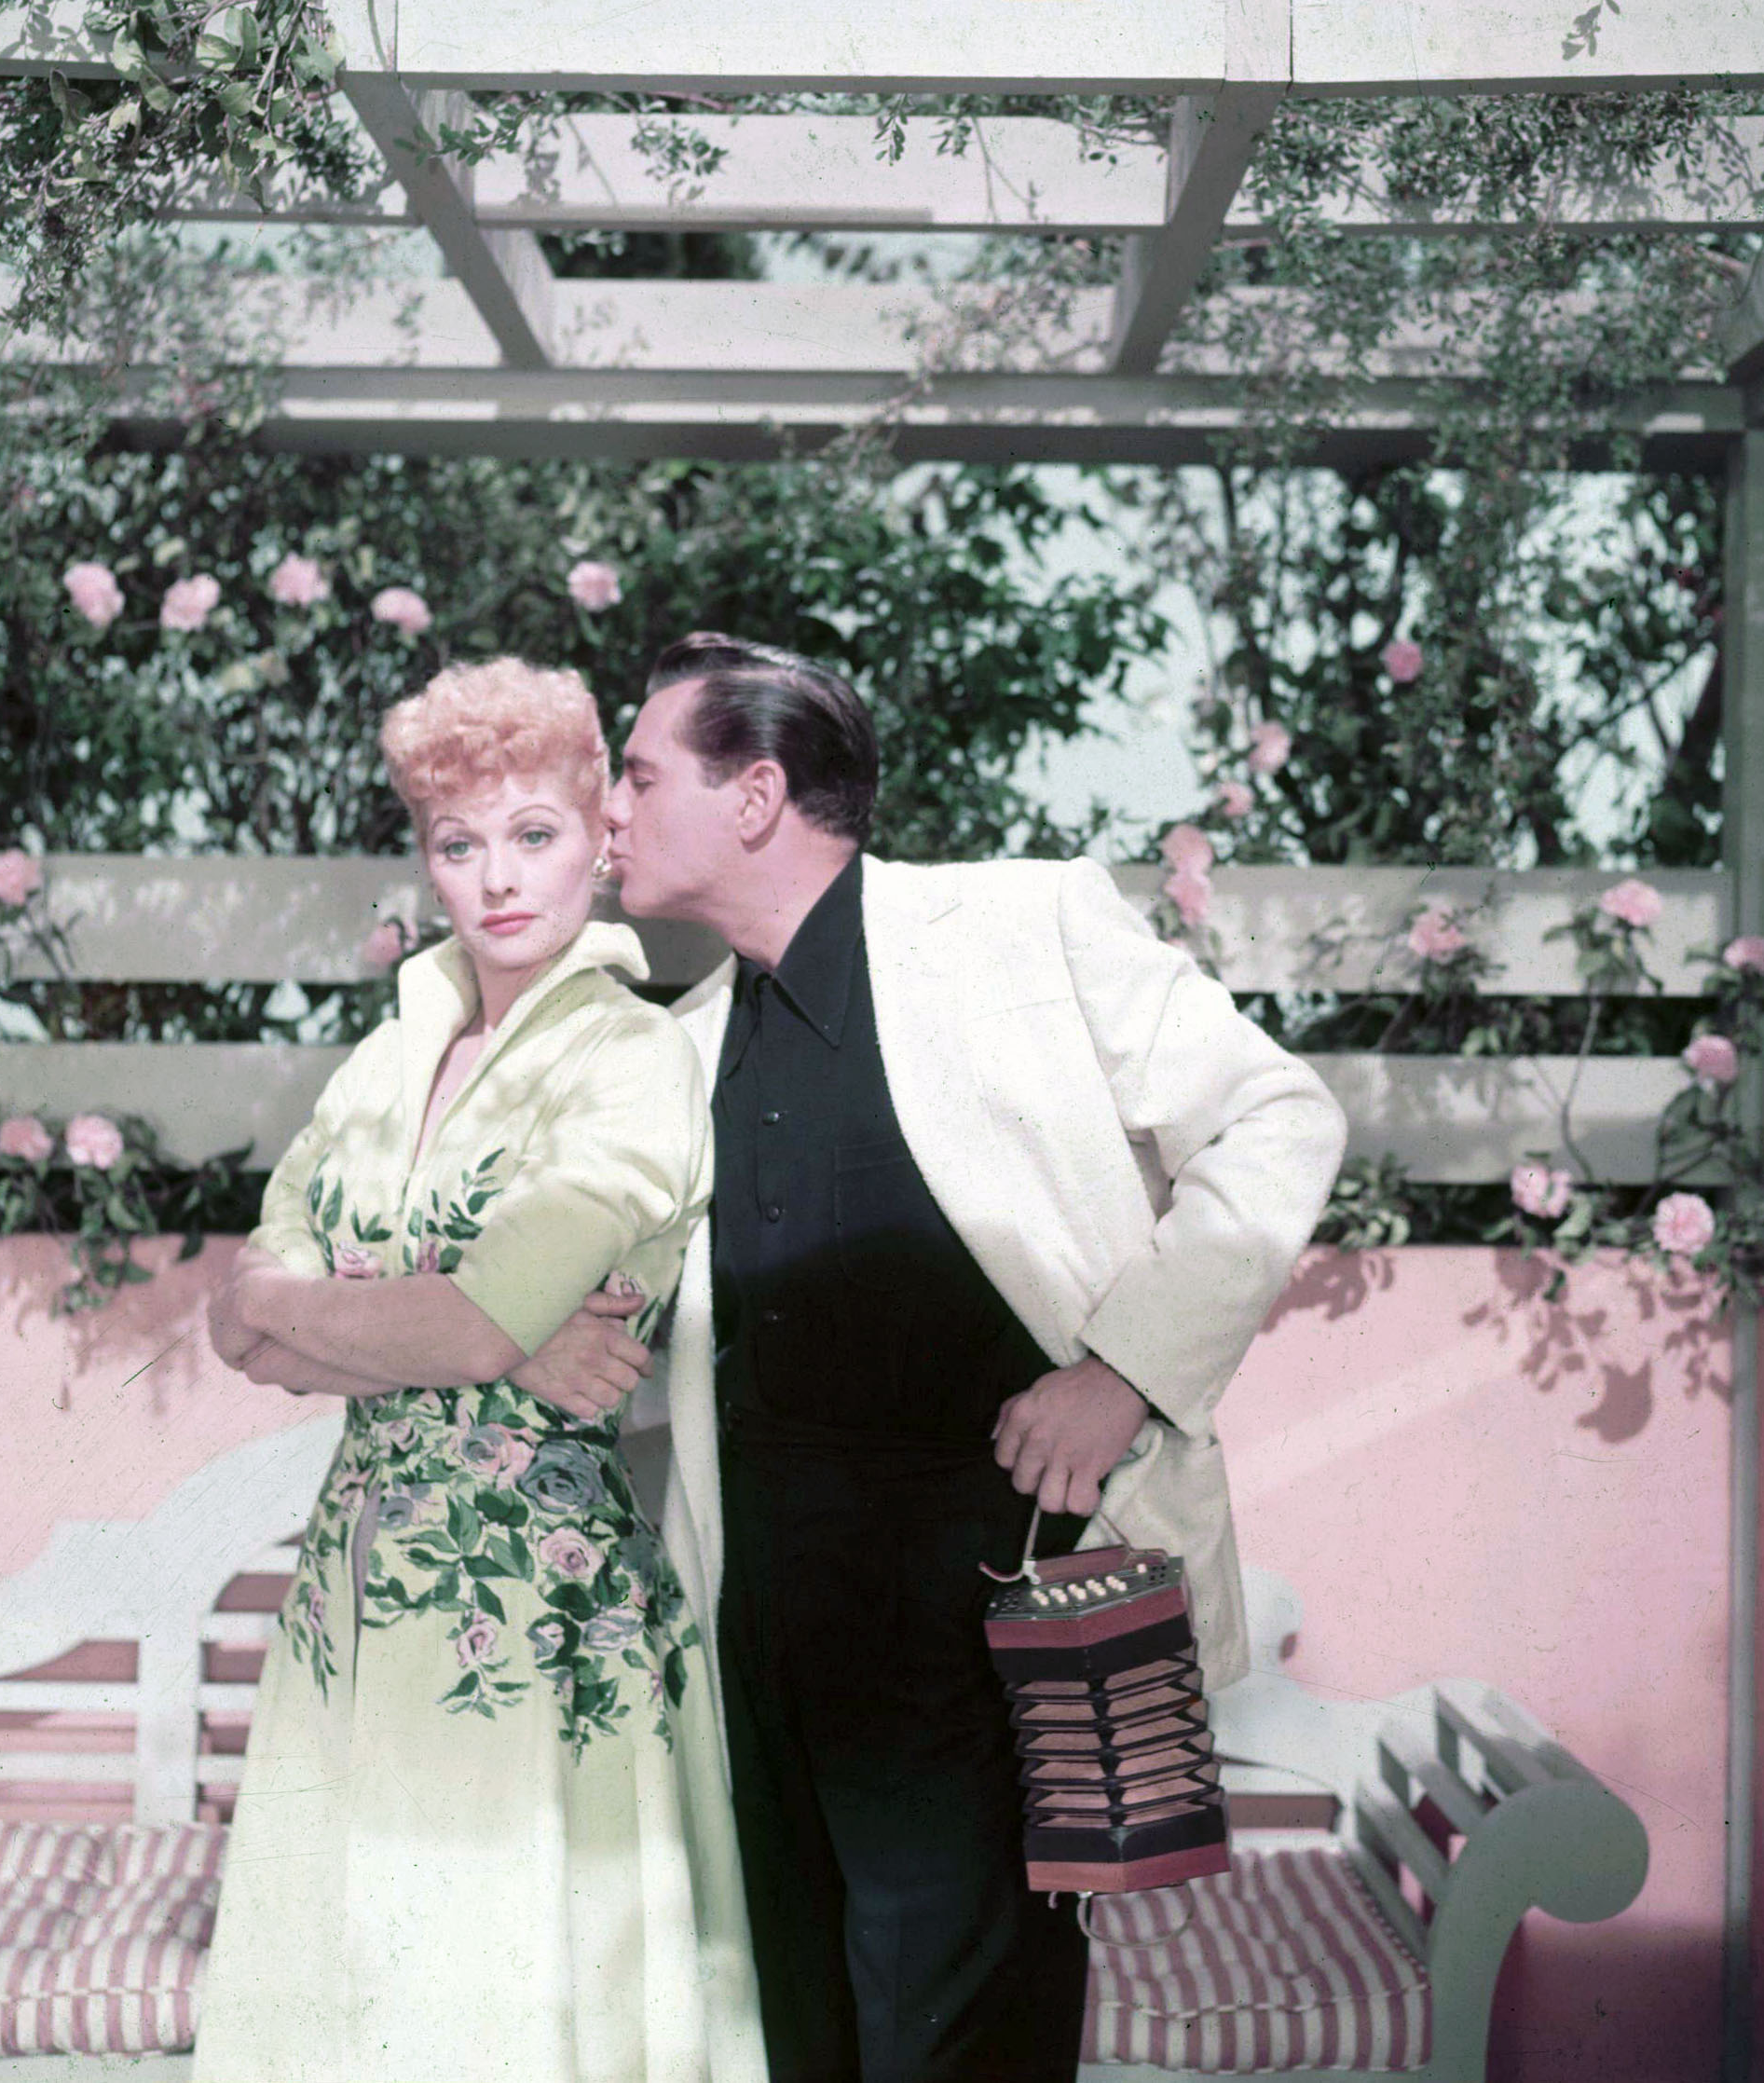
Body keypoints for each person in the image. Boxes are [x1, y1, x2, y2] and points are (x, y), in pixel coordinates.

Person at [571, 632, 1350, 2083]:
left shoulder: (1020, 926)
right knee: (801, 2037)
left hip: (982, 1615)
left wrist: (1125, 1374)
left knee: (959, 2045)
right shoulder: (676, 1046)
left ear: (754, 796)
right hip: (758, 1631)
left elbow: (1280, 1115)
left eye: (638, 773)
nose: (609, 808)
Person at [192, 656, 767, 2083]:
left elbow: (458, 1328)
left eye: (535, 835)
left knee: (506, 1994)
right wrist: (436, 1320)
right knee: (360, 1984)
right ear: (429, 861)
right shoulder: (385, 1061)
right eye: (461, 844)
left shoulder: (630, 1056)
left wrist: (364, 1311)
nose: (499, 878)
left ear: (599, 841)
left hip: (528, 1603)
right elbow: (234, 1320)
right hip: (351, 1594)